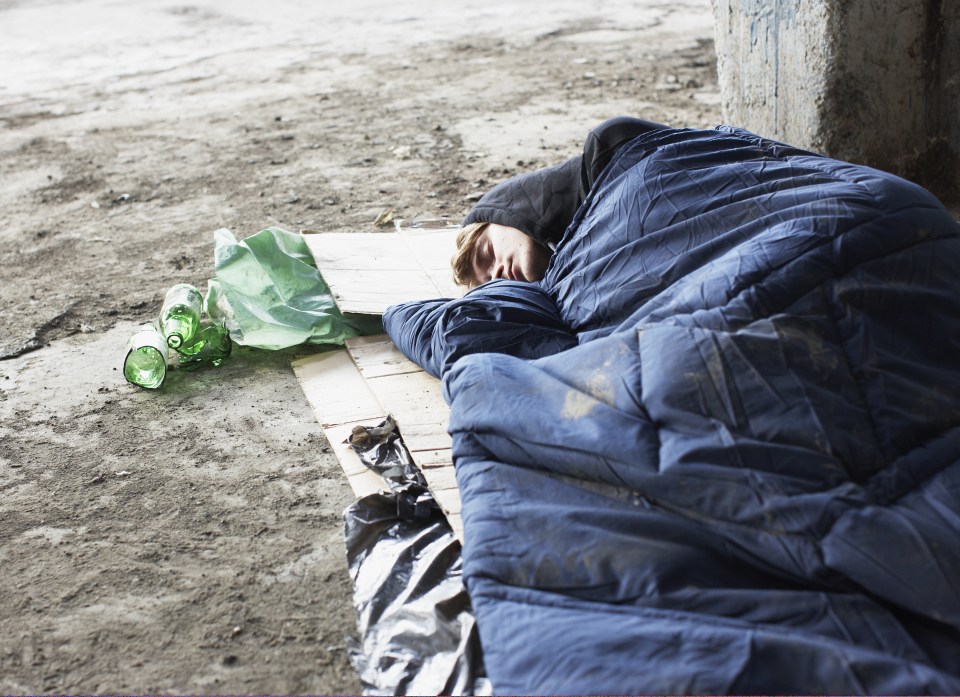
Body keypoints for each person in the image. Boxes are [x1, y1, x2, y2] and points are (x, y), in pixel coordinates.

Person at [452, 116, 667, 287]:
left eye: (488, 252)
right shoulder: (576, 290)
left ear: (504, 211)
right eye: (490, 282)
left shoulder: (610, 150)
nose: (497, 272)